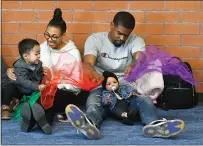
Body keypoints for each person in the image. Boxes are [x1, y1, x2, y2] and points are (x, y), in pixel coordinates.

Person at [65, 11, 185, 140]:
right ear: (111, 25)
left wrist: (134, 65)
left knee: (144, 100)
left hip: (125, 86)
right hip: (101, 83)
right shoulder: (95, 39)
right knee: (94, 104)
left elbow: (140, 58)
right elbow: (88, 63)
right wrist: (93, 73)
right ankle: (90, 124)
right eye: (119, 33)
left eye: (126, 35)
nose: (122, 38)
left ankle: (154, 126)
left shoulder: (136, 40)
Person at [6, 8, 88, 133]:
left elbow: (76, 86)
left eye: (55, 37)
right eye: (47, 35)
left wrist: (54, 84)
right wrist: (11, 69)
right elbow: (25, 59)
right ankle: (42, 122)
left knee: (51, 94)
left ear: (63, 35)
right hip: (41, 89)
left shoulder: (73, 53)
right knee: (17, 86)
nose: (50, 39)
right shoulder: (42, 47)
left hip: (64, 92)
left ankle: (31, 120)